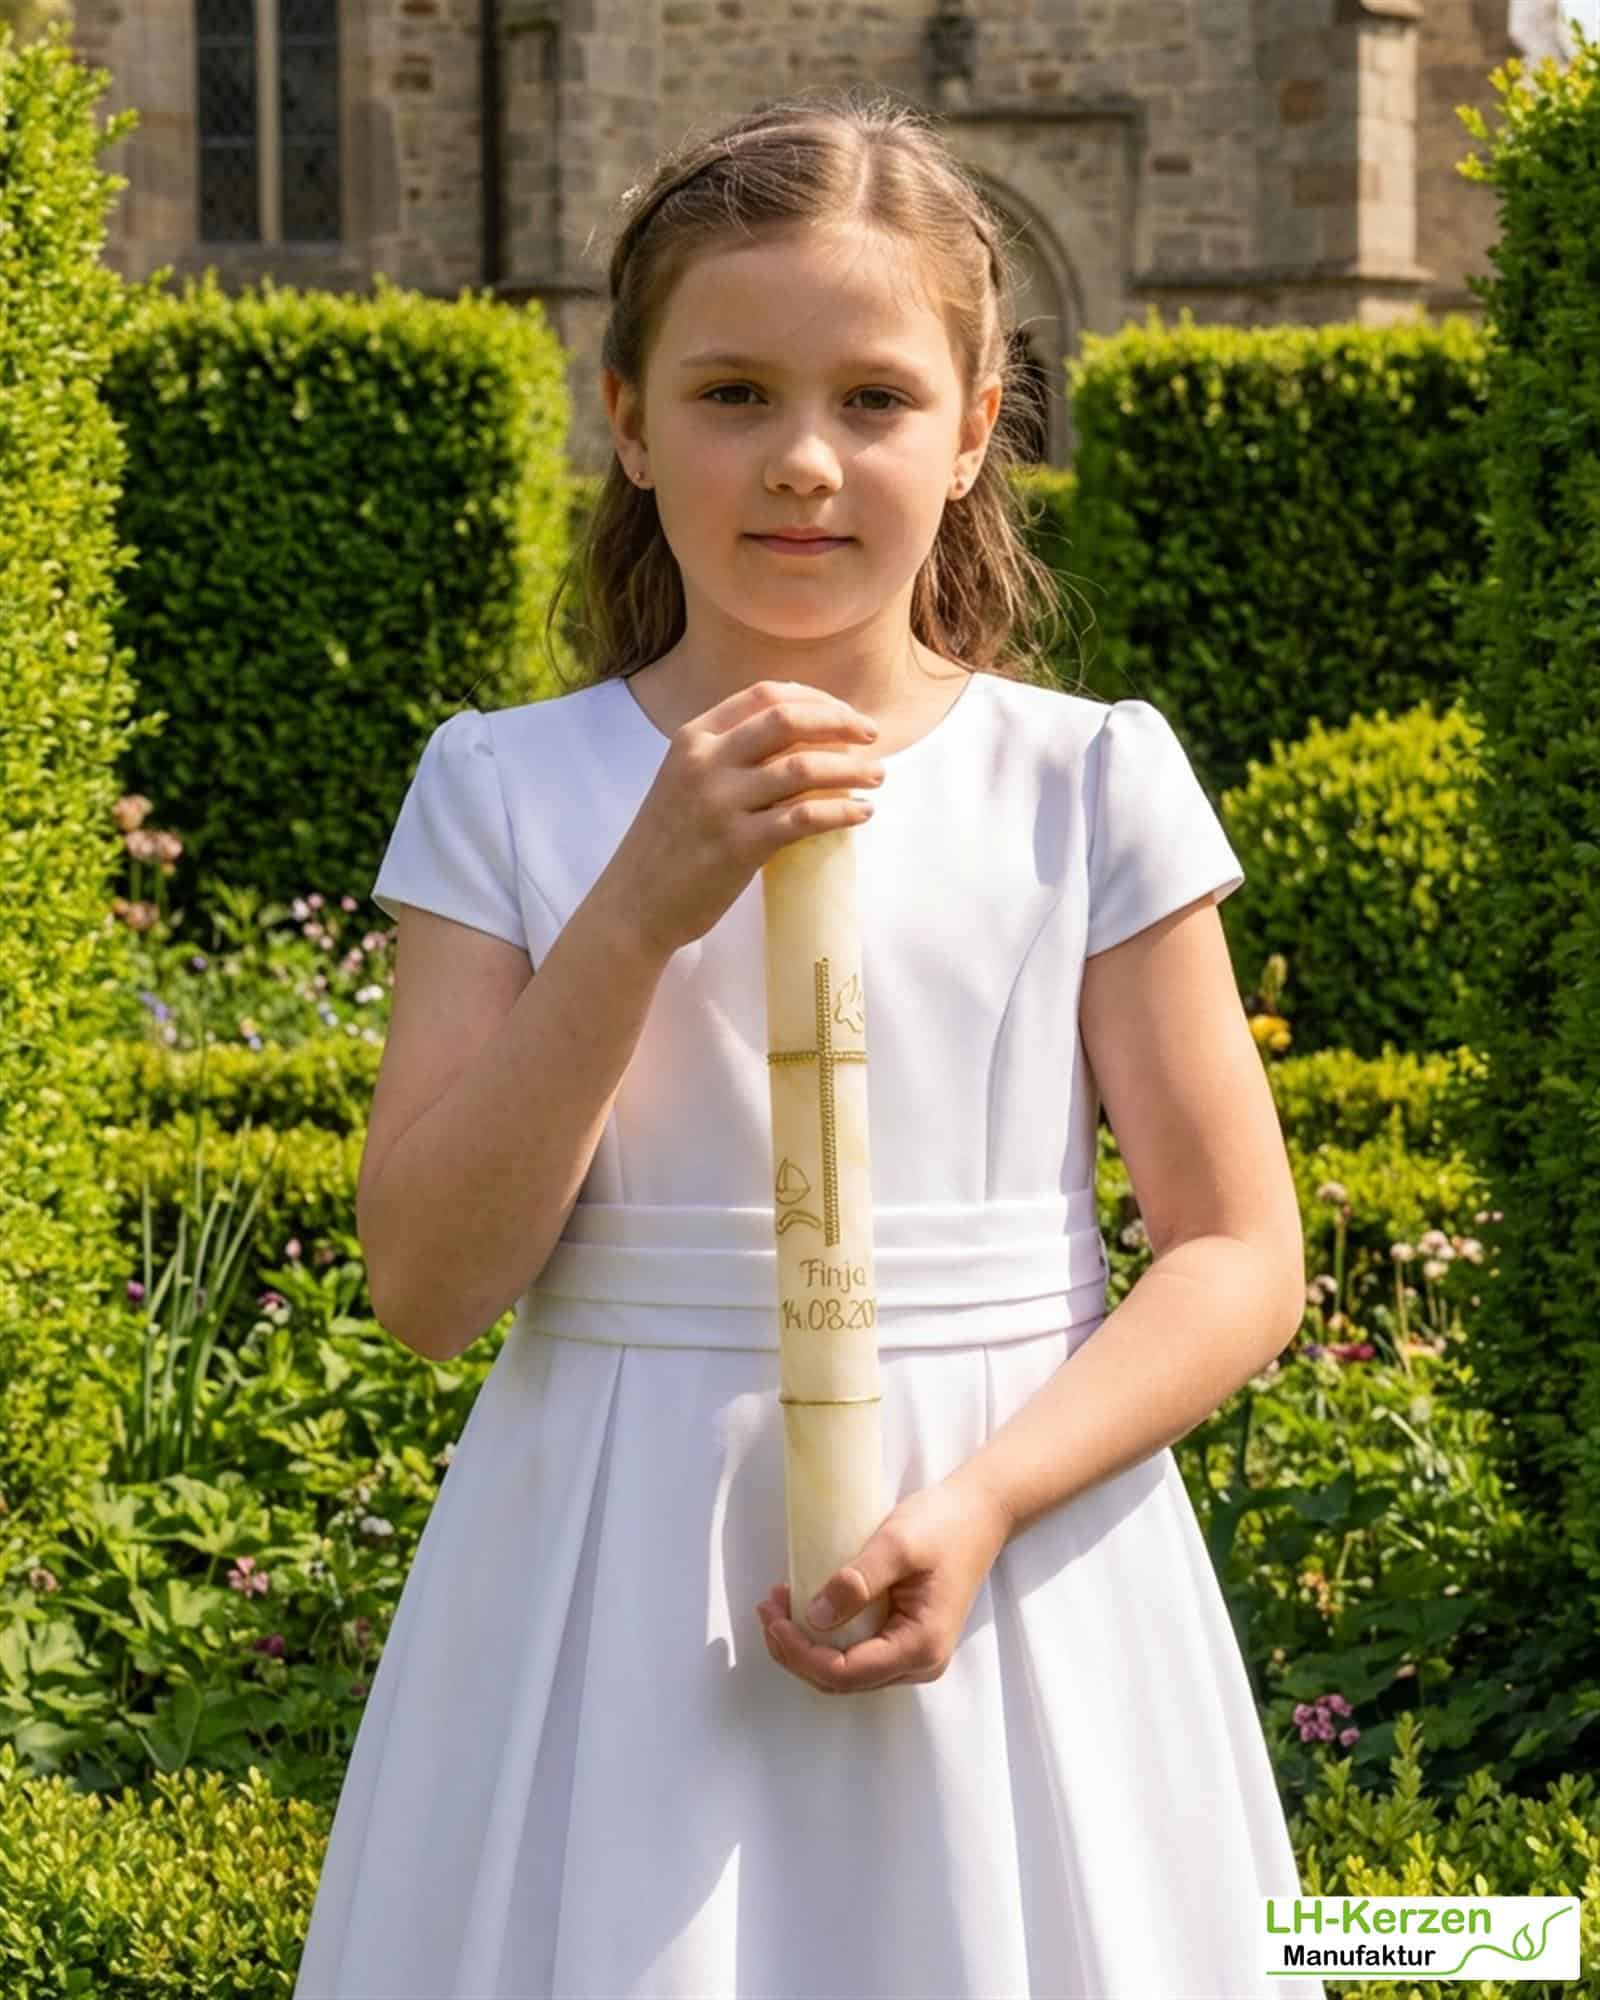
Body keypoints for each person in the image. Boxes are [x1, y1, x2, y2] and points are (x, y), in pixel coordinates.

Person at [293, 84, 1326, 2000]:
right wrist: (641, 899)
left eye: (872, 400)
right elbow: (433, 1285)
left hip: (1018, 1556)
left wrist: (988, 1501)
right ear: (623, 416)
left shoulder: (1090, 778)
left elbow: (1240, 1253)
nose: (802, 462)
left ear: (975, 426)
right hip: (608, 1580)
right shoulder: (506, 789)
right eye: (731, 394)